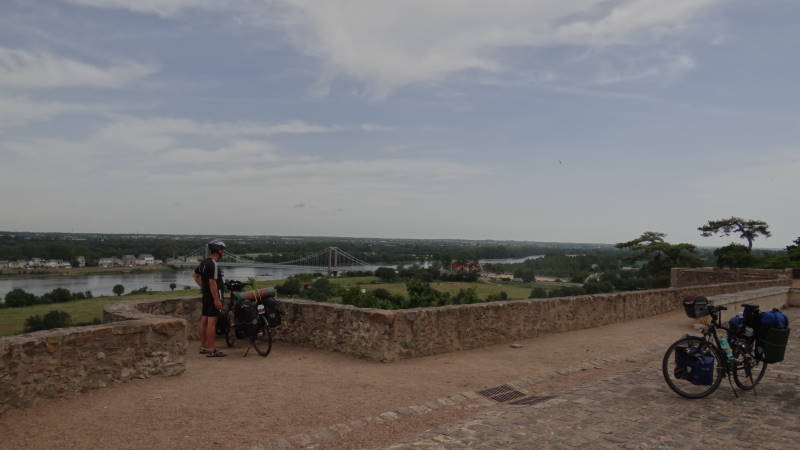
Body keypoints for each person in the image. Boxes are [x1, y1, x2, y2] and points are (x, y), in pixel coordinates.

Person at [193, 239, 227, 357]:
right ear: (218, 250)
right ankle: (211, 349)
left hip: (206, 296)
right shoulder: (213, 264)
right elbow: (213, 282)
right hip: (213, 297)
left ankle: (203, 346)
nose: (223, 252)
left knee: (204, 320)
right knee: (212, 322)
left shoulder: (204, 262)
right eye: (222, 250)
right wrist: (217, 299)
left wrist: (204, 287)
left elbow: (195, 275)